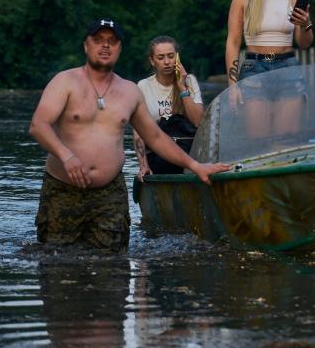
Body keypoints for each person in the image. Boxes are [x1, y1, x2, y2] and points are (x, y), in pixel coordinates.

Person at [29, 18, 230, 251]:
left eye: (112, 41)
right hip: (63, 189)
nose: (105, 46)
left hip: (109, 195)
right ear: (86, 46)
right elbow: (39, 125)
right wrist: (67, 156)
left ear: (119, 49)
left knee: (113, 271)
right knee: (57, 266)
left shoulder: (129, 91)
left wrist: (195, 166)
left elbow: (155, 138)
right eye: (98, 40)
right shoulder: (65, 81)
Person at [225, 0, 314, 139]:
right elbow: (233, 43)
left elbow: (304, 44)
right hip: (254, 69)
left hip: (288, 68)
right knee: (259, 141)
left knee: (287, 140)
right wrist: (232, 85)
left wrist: (306, 23)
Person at [134, 36, 204, 179]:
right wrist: (143, 165)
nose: (167, 62)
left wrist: (182, 87)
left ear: (177, 57)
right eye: (160, 57)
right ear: (152, 61)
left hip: (188, 151)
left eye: (171, 56)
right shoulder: (143, 86)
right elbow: (138, 132)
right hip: (158, 154)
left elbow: (198, 122)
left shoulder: (189, 81)